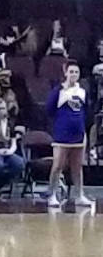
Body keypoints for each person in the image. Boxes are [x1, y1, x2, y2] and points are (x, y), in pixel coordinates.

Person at [46, 60, 91, 207]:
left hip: (78, 134)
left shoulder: (82, 91)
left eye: (76, 72)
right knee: (58, 165)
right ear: (65, 73)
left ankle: (79, 195)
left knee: (77, 167)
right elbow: (49, 109)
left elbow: (86, 112)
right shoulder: (58, 90)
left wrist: (84, 130)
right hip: (62, 134)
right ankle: (51, 195)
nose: (73, 74)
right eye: (71, 71)